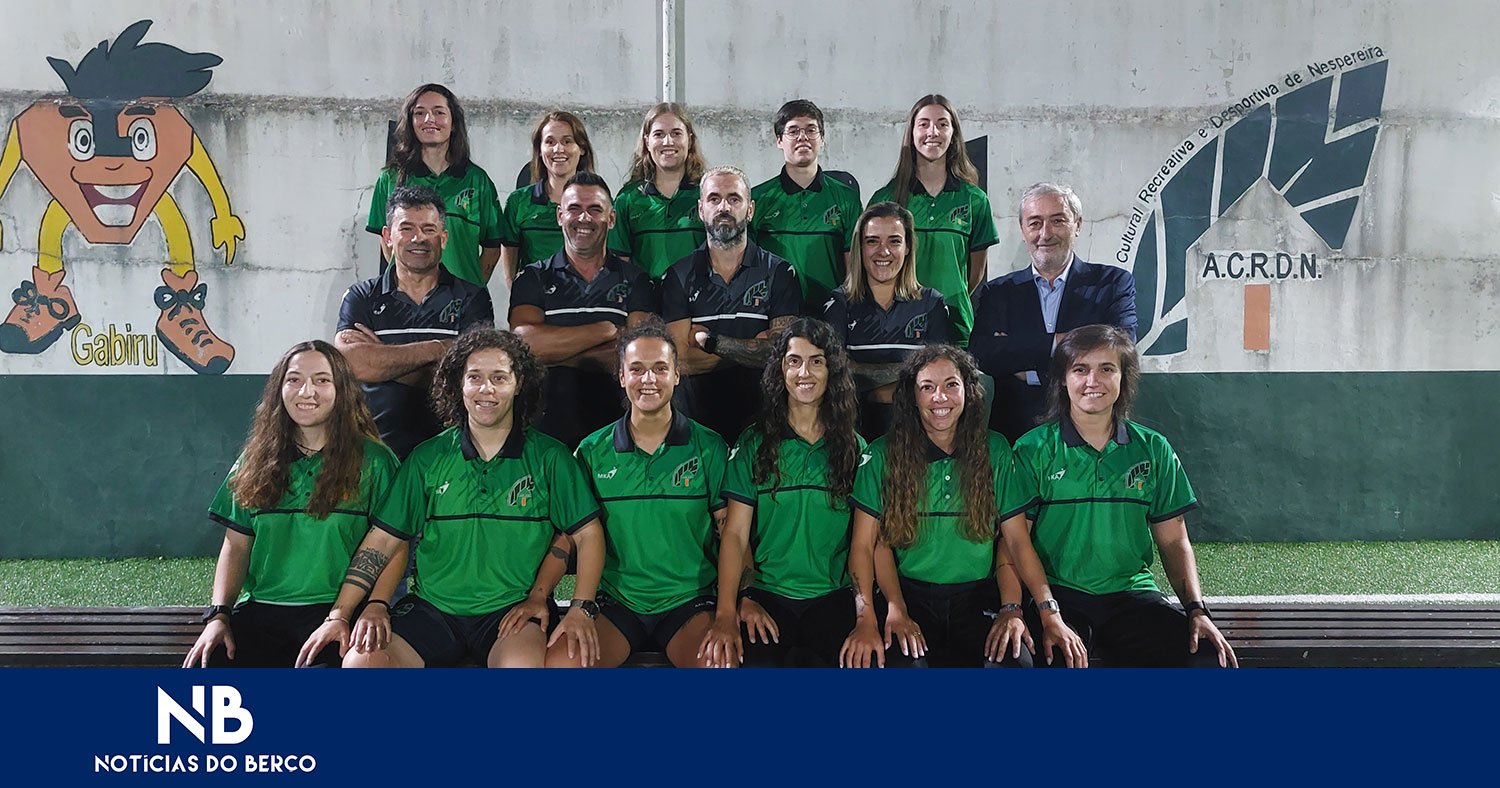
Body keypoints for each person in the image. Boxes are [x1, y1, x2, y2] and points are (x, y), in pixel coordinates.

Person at [298, 328, 607, 669]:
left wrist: (580, 607)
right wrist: (340, 614)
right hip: (432, 611)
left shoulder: (550, 457)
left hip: (510, 612)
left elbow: (588, 533)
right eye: (474, 377)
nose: (485, 389)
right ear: (458, 385)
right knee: (360, 663)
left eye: (499, 378)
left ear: (519, 384)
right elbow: (383, 541)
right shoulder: (427, 458)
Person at [842, 344, 1085, 668]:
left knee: (1016, 663)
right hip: (907, 597)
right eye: (927, 387)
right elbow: (864, 545)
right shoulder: (882, 454)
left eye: (950, 385)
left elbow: (1017, 542)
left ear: (969, 391)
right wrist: (877, 614)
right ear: (912, 396)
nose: (939, 398)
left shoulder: (994, 450)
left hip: (978, 599)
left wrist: (1046, 612)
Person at [1012, 325, 1236, 668]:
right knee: (1053, 660)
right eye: (1080, 369)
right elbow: (1016, 543)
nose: (1093, 381)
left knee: (1206, 658)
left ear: (1123, 378)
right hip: (1060, 596)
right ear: (1061, 379)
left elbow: (1175, 542)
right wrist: (1047, 610)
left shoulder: (1154, 448)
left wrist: (1196, 610)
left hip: (1131, 597)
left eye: (1106, 369)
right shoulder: (1032, 450)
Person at [184, 340, 399, 668]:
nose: (306, 391)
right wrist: (218, 616)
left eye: (322, 380)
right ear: (279, 390)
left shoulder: (376, 461)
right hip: (261, 610)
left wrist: (376, 604)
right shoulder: (254, 460)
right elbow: (236, 547)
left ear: (342, 390)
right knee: (208, 671)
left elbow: (394, 546)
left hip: (337, 611)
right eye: (294, 379)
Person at [699, 318, 866, 667]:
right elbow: (734, 533)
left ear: (832, 370)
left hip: (832, 597)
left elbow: (866, 543)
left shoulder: (853, 448)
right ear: (780, 370)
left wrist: (866, 616)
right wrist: (729, 611)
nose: (804, 372)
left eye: (816, 361)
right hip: (766, 596)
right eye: (794, 361)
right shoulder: (754, 444)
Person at [574, 320, 728, 668]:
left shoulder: (709, 447)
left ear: (676, 374)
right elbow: (573, 537)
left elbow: (731, 533)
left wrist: (736, 603)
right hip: (616, 601)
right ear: (621, 376)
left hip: (689, 600)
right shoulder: (591, 452)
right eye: (637, 370)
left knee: (721, 666)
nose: (648, 380)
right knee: (562, 666)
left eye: (660, 369)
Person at [970, 182, 1138, 442]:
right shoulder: (998, 291)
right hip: (1017, 432)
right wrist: (1060, 343)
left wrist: (1024, 364)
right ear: (1023, 230)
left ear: (1078, 225)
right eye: (1035, 223)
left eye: (1057, 220)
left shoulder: (1112, 283)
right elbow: (984, 354)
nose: (1045, 234)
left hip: (1092, 435)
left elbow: (1121, 346)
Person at [337, 186, 495, 459]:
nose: (418, 238)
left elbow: (471, 374)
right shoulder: (361, 296)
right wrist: (440, 349)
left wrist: (383, 361)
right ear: (388, 236)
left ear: (443, 238)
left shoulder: (473, 297)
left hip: (453, 455)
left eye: (429, 229)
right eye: (406, 228)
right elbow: (353, 363)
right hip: (375, 455)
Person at [509, 172, 656, 447]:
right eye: (574, 209)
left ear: (611, 219)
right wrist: (607, 331)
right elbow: (524, 345)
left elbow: (638, 356)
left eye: (595, 210)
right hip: (545, 434)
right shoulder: (533, 278)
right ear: (560, 216)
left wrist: (556, 352)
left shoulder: (637, 280)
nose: (584, 218)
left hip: (618, 433)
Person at [662, 165, 802, 442]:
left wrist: (709, 340)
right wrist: (750, 347)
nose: (723, 206)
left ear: (750, 210)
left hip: (764, 423)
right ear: (701, 210)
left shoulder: (780, 273)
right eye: (714, 199)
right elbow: (678, 361)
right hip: (696, 424)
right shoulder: (677, 276)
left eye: (734, 199)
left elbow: (781, 357)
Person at [867, 95, 998, 347]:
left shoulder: (975, 200)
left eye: (942, 124)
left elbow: (975, 272)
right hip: (895, 324)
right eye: (924, 124)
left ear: (953, 134)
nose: (932, 132)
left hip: (956, 325)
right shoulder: (886, 198)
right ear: (912, 132)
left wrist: (947, 296)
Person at [823, 201, 954, 438]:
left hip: (917, 430)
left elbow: (939, 380)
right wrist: (907, 380)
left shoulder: (931, 303)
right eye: (873, 241)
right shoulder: (839, 303)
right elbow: (836, 376)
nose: (883, 251)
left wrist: (869, 385)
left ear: (907, 247)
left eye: (894, 241)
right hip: (855, 429)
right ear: (860, 248)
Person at [366, 83, 504, 285]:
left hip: (462, 307)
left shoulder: (477, 180)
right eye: (420, 113)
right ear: (411, 122)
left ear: (453, 122)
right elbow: (387, 244)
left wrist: (469, 290)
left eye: (439, 112)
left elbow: (493, 249)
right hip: (406, 302)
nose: (429, 119)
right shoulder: (390, 178)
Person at [749, 99, 863, 312]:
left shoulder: (846, 198)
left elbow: (854, 266)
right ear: (779, 140)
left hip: (830, 314)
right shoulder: (758, 198)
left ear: (822, 139)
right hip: (773, 314)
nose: (803, 137)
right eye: (793, 131)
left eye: (811, 130)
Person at [608, 102, 708, 279]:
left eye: (676, 133)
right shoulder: (627, 198)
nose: (668, 142)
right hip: (646, 303)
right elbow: (619, 264)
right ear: (647, 141)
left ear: (690, 140)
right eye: (659, 134)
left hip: (697, 303)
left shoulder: (708, 195)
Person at [496, 110, 597, 284]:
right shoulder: (518, 202)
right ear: (540, 150)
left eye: (567, 141)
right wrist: (520, 299)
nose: (558, 149)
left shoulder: (598, 200)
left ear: (581, 148)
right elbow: (510, 262)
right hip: (535, 303)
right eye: (550, 142)